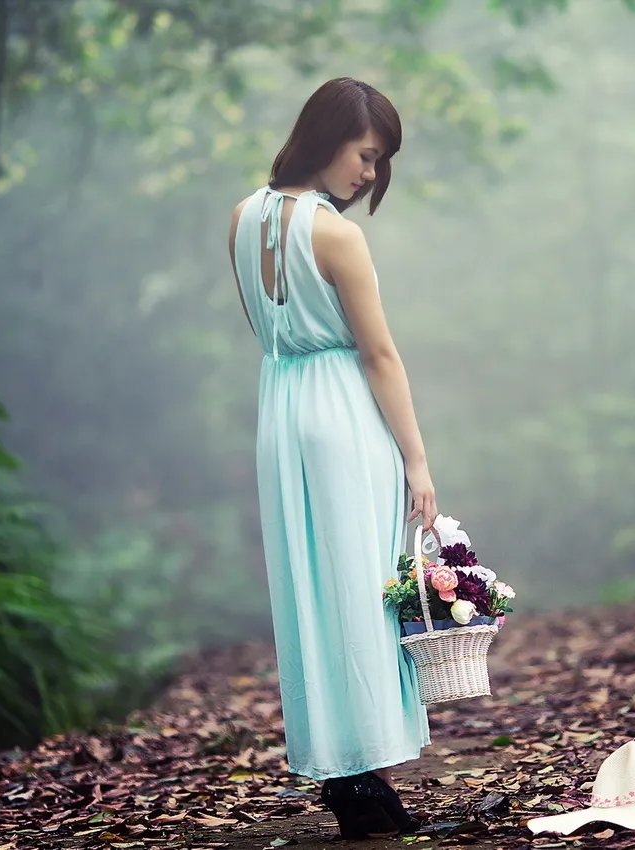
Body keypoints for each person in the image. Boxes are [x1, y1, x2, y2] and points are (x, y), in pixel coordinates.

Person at [226, 77, 437, 840]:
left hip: (282, 408)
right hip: (344, 408)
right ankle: (366, 764)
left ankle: (344, 769)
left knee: (309, 590)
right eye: (366, 155)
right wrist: (416, 460)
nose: (370, 174)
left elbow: (265, 325)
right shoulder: (338, 234)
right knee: (361, 588)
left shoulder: (242, 218)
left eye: (380, 161)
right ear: (326, 139)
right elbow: (378, 353)